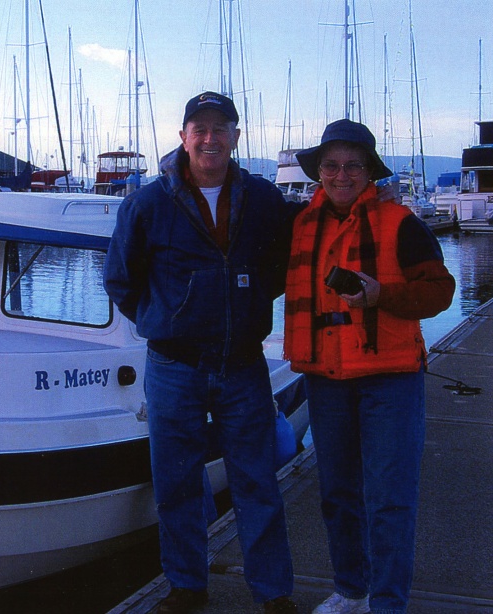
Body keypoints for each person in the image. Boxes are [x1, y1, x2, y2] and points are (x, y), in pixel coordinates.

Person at [104, 92, 300, 614]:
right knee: (177, 483)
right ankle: (186, 586)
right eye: (200, 128)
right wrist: (168, 318)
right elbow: (120, 279)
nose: (210, 138)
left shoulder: (263, 198)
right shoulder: (148, 203)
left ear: (235, 136)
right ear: (184, 136)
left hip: (243, 365)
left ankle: (273, 593)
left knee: (257, 481)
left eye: (220, 128)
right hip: (174, 367)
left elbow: (279, 267)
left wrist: (248, 305)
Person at [284, 119, 455, 614]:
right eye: (331, 166)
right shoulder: (301, 225)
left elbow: (441, 291)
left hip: (390, 378)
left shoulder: (401, 223)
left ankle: (387, 603)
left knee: (389, 497)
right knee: (337, 493)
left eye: (353, 166)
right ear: (319, 172)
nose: (341, 175)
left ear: (369, 172)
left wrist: (382, 295)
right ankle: (351, 590)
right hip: (326, 378)